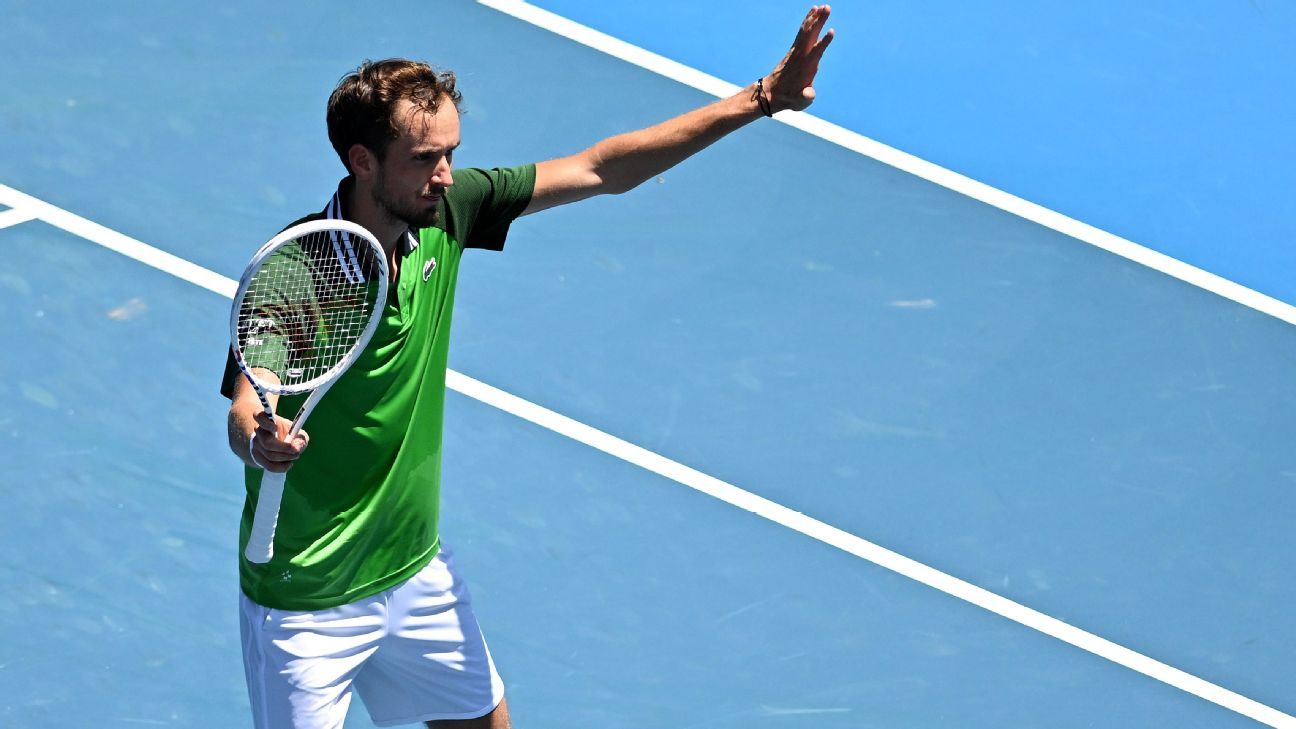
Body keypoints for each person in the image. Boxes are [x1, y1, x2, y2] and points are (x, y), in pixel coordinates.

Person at [221, 6, 834, 728]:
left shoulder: (448, 213)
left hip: (415, 571)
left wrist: (759, 99)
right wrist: (263, 437)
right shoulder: (302, 268)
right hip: (307, 601)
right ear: (362, 161)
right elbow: (244, 407)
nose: (446, 174)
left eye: (451, 151)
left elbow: (602, 168)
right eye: (424, 158)